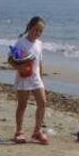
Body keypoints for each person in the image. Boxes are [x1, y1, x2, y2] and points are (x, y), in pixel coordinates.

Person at [8, 16, 48, 144]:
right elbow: (10, 59)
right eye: (36, 30)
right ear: (30, 27)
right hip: (23, 78)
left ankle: (37, 131)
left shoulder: (39, 44)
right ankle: (19, 131)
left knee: (42, 102)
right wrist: (19, 68)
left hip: (36, 78)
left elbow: (39, 62)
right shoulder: (21, 42)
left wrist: (41, 78)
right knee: (22, 105)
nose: (38, 33)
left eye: (40, 31)